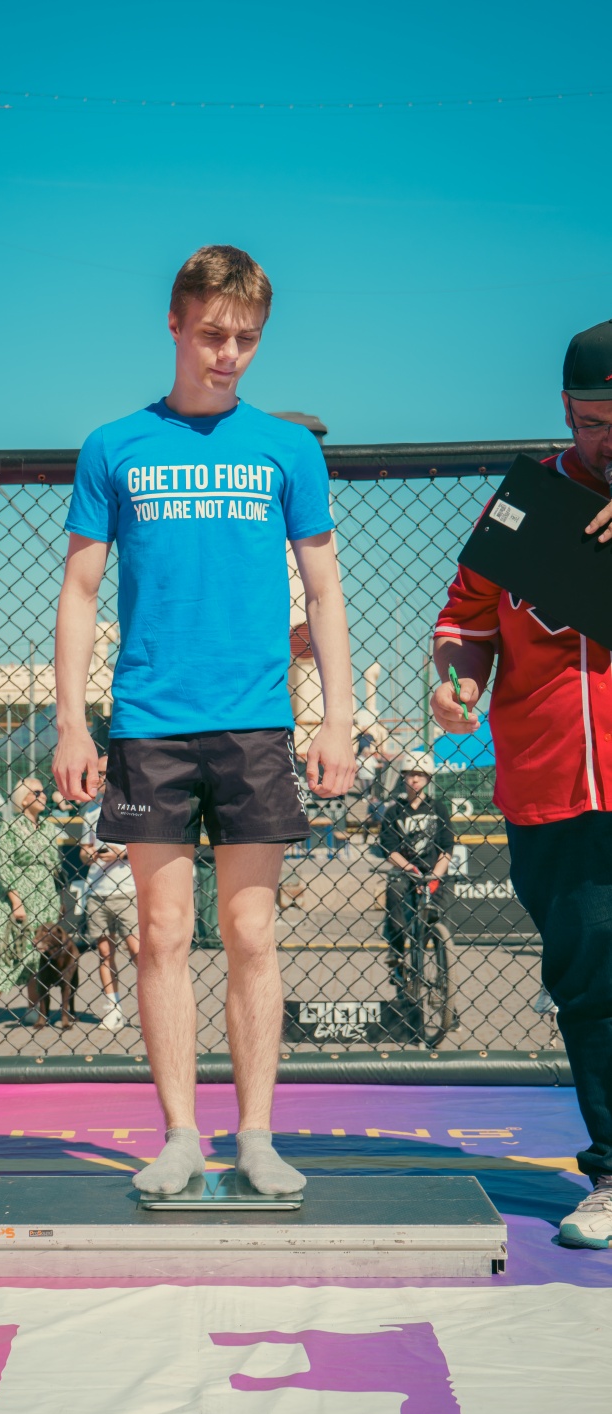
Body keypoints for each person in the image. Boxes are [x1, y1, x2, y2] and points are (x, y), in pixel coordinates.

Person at [54, 244, 356, 1194]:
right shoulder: (114, 446)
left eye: (248, 339)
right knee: (161, 933)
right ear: (176, 324)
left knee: (254, 934)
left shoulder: (287, 449)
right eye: (215, 334)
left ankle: (256, 1136)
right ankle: (180, 1135)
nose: (229, 354)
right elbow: (79, 590)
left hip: (255, 723)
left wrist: (338, 718)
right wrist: (72, 723)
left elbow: (325, 589)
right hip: (149, 721)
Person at [431, 318, 612, 1248]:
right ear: (567, 413)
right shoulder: (523, 505)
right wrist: (455, 681)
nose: (608, 440)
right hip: (553, 790)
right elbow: (465, 621)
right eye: (594, 421)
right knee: (591, 979)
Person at [0, 779, 61, 1031]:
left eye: (44, 791)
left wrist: (55, 900)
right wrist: (16, 903)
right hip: (16, 897)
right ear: (24, 799)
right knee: (3, 950)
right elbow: (5, 866)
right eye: (37, 792)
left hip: (45, 897)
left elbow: (55, 867)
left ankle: (33, 1007)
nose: (44, 795)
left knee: (36, 955)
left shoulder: (49, 828)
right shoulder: (10, 827)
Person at [79, 752, 140, 1034]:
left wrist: (121, 853)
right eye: (97, 773)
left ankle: (150, 1007)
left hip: (127, 889)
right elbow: (84, 851)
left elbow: (143, 849)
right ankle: (113, 1009)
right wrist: (91, 854)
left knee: (138, 952)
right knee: (105, 953)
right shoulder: (91, 812)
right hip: (98, 890)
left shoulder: (131, 808)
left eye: (104, 773)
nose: (100, 778)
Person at [380, 753, 453, 968]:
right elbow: (389, 850)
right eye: (411, 774)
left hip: (433, 871)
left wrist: (434, 876)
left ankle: (443, 964)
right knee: (394, 890)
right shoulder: (394, 812)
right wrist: (410, 868)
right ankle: (396, 948)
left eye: (420, 775)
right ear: (404, 777)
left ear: (428, 778)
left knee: (440, 914)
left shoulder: (438, 808)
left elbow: (447, 847)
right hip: (406, 870)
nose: (415, 779)